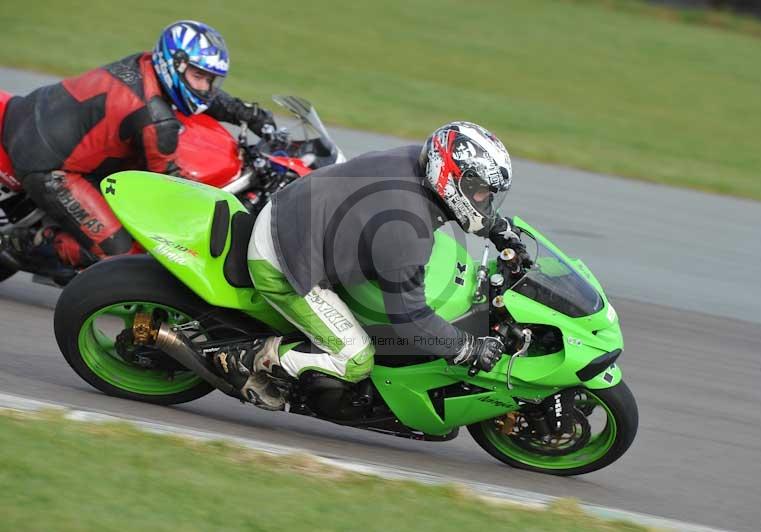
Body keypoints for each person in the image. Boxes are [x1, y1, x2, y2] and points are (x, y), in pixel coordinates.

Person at [211, 121, 532, 410]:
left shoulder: (416, 161)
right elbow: (410, 320)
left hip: (295, 211)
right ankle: (251, 357)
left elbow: (463, 207)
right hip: (282, 261)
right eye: (480, 193)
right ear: (451, 179)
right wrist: (467, 347)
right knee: (355, 358)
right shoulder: (407, 231)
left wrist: (498, 228)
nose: (484, 202)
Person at [1, 20, 275, 268]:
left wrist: (248, 113)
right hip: (47, 165)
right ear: (174, 64)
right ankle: (27, 243)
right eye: (199, 76)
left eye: (209, 79)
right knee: (121, 255)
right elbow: (170, 189)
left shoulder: (145, 64)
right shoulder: (154, 120)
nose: (205, 87)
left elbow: (199, 94)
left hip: (33, 112)